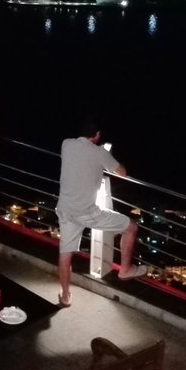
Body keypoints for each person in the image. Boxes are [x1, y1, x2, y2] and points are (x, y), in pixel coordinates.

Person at [54, 117, 148, 308]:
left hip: (65, 209)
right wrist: (106, 155)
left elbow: (80, 163)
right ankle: (126, 270)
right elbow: (122, 172)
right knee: (131, 227)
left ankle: (65, 296)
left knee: (65, 255)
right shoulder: (99, 153)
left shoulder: (66, 144)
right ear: (96, 136)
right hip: (87, 212)